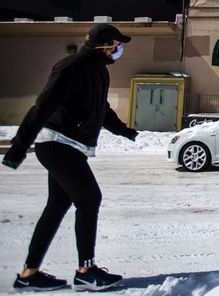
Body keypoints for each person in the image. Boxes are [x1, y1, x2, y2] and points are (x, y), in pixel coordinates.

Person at [2, 23, 139, 292]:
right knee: (90, 199)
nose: (119, 49)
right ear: (106, 45)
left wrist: (123, 130)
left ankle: (29, 274)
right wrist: (19, 147)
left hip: (72, 146)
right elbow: (43, 107)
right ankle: (86, 271)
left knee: (56, 207)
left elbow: (102, 108)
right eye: (117, 44)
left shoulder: (99, 72)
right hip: (56, 143)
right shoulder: (72, 66)